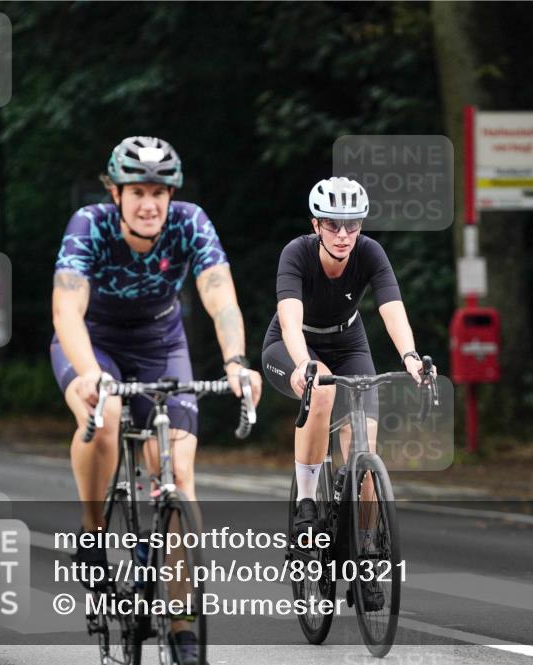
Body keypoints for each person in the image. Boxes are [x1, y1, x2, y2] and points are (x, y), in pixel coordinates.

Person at [51, 136, 262, 662]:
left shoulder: (190, 222)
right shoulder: (90, 224)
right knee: (107, 415)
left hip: (161, 342)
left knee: (179, 477)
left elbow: (219, 295)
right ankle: (93, 533)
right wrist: (90, 374)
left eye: (159, 193)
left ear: (172, 196)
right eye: (138, 192)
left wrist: (236, 360)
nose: (149, 204)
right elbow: (67, 310)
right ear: (116, 194)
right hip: (93, 341)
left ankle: (183, 625)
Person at [261, 176, 432, 609]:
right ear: (316, 224)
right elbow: (290, 318)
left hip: (350, 342)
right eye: (334, 225)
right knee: (320, 390)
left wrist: (411, 357)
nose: (343, 235)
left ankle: (365, 559)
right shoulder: (296, 254)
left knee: (365, 458)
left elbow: (392, 308)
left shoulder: (370, 252)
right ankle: (305, 504)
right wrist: (303, 363)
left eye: (352, 225)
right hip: (292, 343)